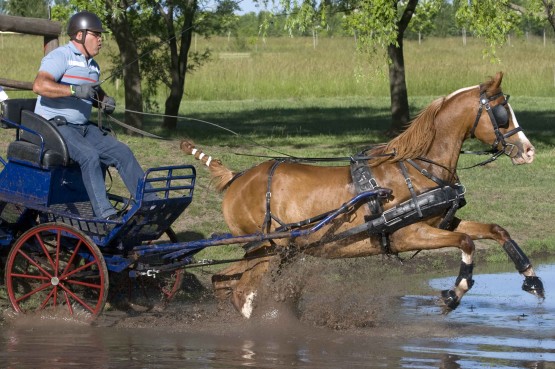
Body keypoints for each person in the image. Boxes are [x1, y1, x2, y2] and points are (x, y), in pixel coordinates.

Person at [32, 11, 154, 220]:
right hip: (54, 126)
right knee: (89, 156)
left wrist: (104, 101)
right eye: (96, 35)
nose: (100, 40)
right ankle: (106, 215)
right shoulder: (61, 56)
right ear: (80, 35)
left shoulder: (93, 66)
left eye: (100, 36)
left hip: (83, 127)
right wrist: (73, 90)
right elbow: (39, 85)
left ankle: (150, 204)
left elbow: (94, 93)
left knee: (122, 152)